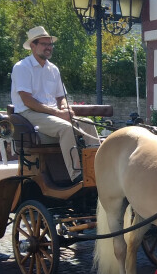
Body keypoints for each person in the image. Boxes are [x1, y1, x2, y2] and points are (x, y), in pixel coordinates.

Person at [10, 26, 99, 183]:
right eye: (44, 44)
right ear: (32, 45)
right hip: (28, 114)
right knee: (65, 128)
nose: (48, 48)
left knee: (89, 125)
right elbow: (27, 100)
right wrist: (58, 113)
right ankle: (76, 175)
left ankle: (96, 169)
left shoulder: (53, 69)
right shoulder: (22, 67)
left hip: (50, 114)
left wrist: (65, 107)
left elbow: (60, 97)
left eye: (50, 44)